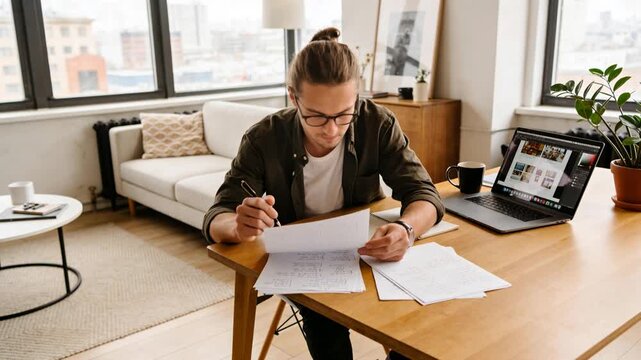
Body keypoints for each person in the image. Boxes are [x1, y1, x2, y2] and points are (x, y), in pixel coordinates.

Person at [202, 27, 444, 360]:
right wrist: (238, 226)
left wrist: (407, 229)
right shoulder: (263, 138)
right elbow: (218, 216)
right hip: (303, 261)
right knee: (325, 323)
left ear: (357, 96)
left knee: (420, 326)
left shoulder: (377, 123)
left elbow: (423, 193)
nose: (332, 130)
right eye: (316, 116)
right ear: (293, 97)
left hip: (366, 252)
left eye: (345, 114)